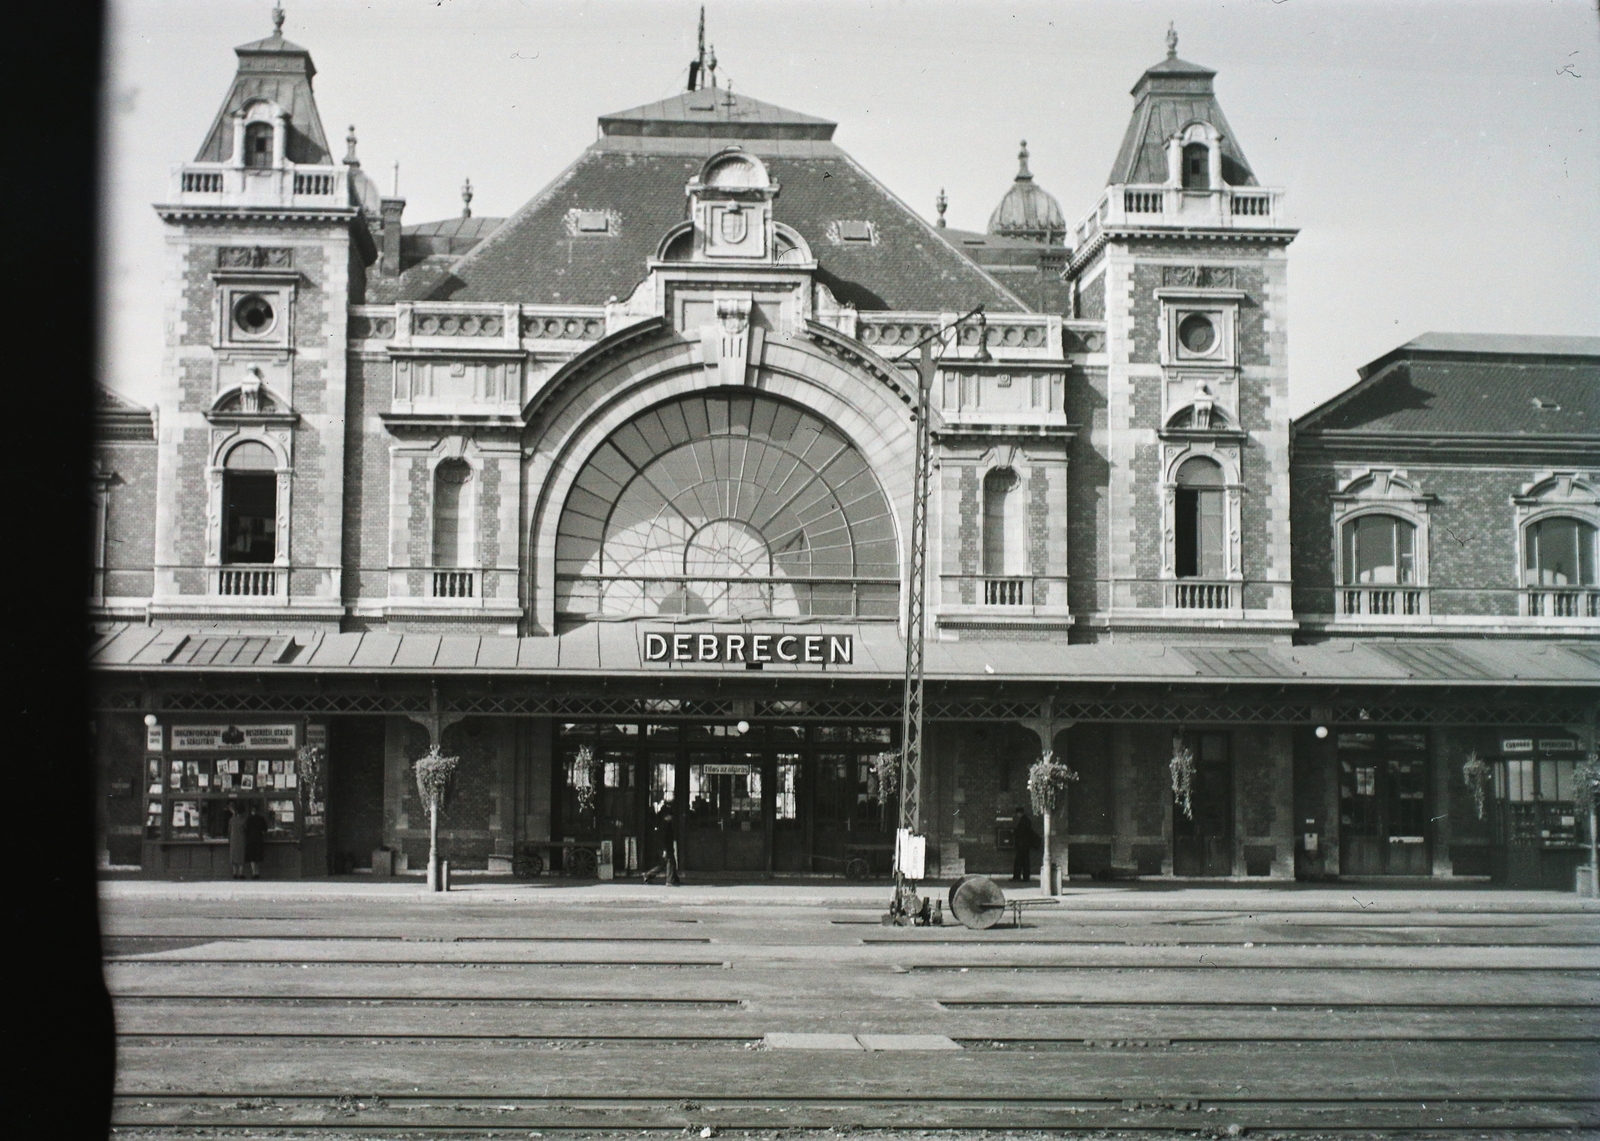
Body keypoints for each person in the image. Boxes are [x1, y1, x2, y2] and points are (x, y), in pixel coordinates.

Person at [640, 797, 681, 886]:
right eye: (670, 815)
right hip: (665, 846)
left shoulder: (663, 823)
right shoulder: (665, 825)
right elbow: (664, 838)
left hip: (663, 846)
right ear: (667, 815)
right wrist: (665, 849)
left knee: (664, 863)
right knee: (670, 862)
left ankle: (649, 875)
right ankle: (670, 880)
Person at [1011, 806, 1037, 883]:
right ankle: (1025, 876)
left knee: (1019, 861)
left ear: (1019, 813)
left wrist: (1014, 832)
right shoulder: (1026, 820)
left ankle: (1017, 876)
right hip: (1025, 844)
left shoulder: (1023, 821)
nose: (1017, 815)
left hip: (1022, 844)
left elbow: (1021, 832)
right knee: (1025, 861)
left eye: (1017, 814)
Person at [243, 802, 268, 880]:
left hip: (251, 839)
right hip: (259, 839)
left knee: (252, 857)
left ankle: (254, 873)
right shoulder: (261, 818)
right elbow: (265, 829)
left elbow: (246, 829)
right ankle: (257, 872)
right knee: (258, 856)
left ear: (252, 811)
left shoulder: (249, 819)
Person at [227, 801, 249, 879]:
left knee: (233, 857)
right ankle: (241, 873)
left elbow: (229, 831)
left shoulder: (232, 820)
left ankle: (234, 873)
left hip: (233, 840)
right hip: (242, 839)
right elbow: (246, 829)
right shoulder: (244, 820)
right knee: (241, 857)